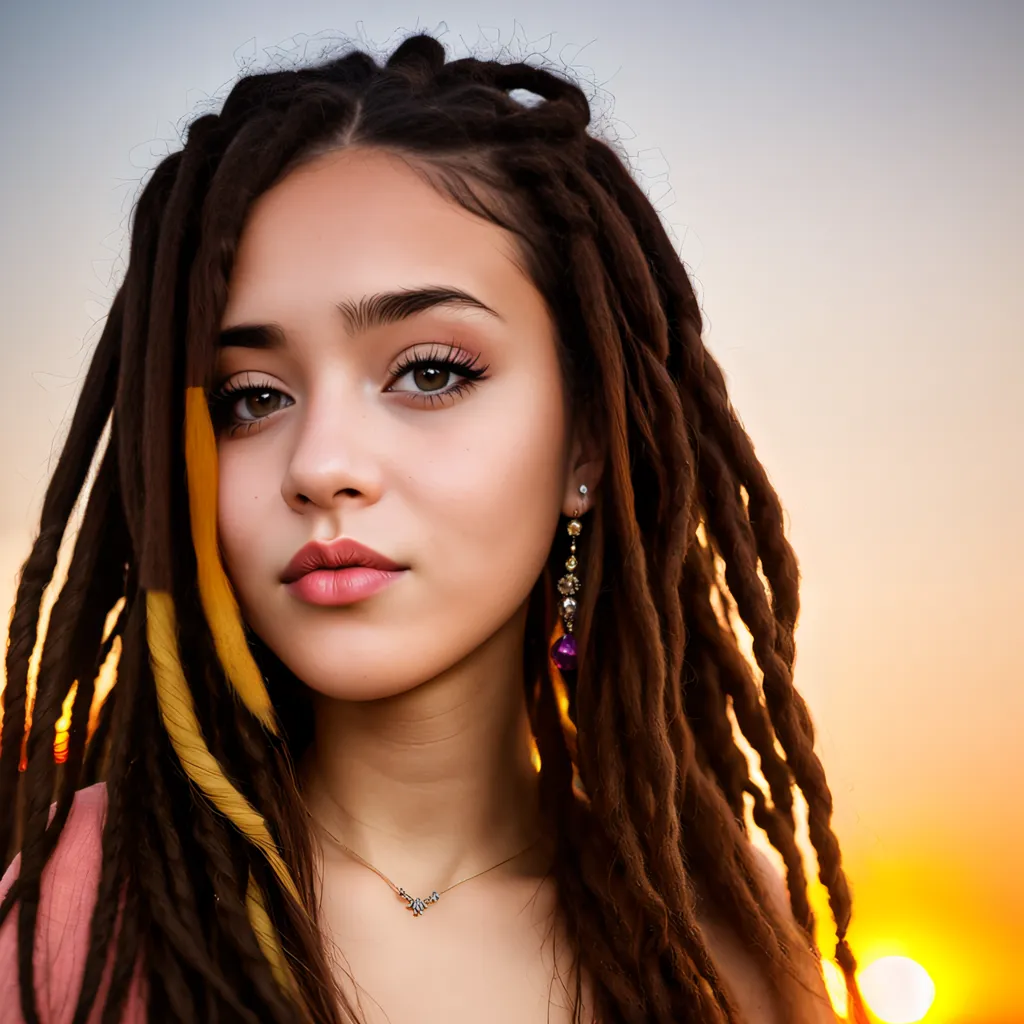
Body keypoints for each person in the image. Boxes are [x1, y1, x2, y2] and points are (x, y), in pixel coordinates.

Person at [0, 31, 870, 1024]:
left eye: (429, 371)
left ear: (585, 442)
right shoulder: (89, 916)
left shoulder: (719, 940)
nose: (322, 462)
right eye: (251, 397)